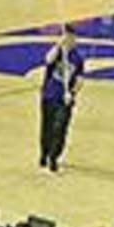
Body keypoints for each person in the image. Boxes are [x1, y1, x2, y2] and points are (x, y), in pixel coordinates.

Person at [39, 24, 84, 172]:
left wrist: (72, 93)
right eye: (67, 37)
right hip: (49, 95)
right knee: (47, 127)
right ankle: (44, 153)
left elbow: (79, 79)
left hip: (64, 99)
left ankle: (54, 157)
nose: (70, 40)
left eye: (72, 38)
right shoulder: (57, 52)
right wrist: (59, 46)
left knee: (60, 127)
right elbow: (48, 60)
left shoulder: (77, 58)